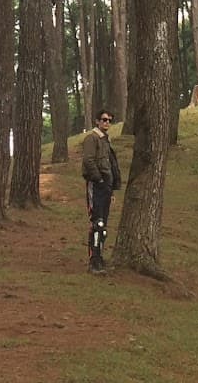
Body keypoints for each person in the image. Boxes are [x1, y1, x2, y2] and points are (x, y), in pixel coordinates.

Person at [80, 109, 122, 273]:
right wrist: (98, 179)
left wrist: (111, 189)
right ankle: (93, 261)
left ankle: (99, 258)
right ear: (97, 121)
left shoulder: (106, 140)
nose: (107, 123)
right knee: (97, 223)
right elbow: (88, 160)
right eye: (104, 120)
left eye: (109, 120)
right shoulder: (92, 138)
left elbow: (110, 165)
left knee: (103, 225)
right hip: (96, 185)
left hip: (106, 187)